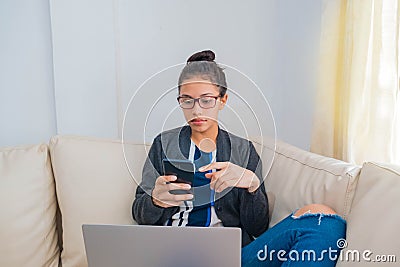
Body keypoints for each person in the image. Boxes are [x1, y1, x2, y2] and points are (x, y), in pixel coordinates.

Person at [132, 50, 346, 266]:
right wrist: (155, 201)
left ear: (222, 100)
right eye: (187, 101)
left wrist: (252, 186)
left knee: (323, 218)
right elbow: (140, 214)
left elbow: (257, 228)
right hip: (176, 256)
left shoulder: (243, 150)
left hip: (234, 259)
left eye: (206, 100)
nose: (196, 110)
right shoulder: (164, 144)